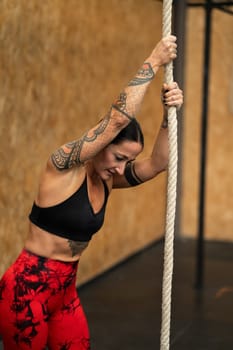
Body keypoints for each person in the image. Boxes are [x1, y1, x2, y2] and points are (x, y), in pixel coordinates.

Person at [0, 35, 183, 350]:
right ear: (100, 147)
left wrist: (169, 115)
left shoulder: (108, 179)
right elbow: (114, 122)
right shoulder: (63, 166)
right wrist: (154, 60)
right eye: (118, 157)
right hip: (25, 292)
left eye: (127, 161)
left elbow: (157, 163)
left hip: (66, 292)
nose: (121, 167)